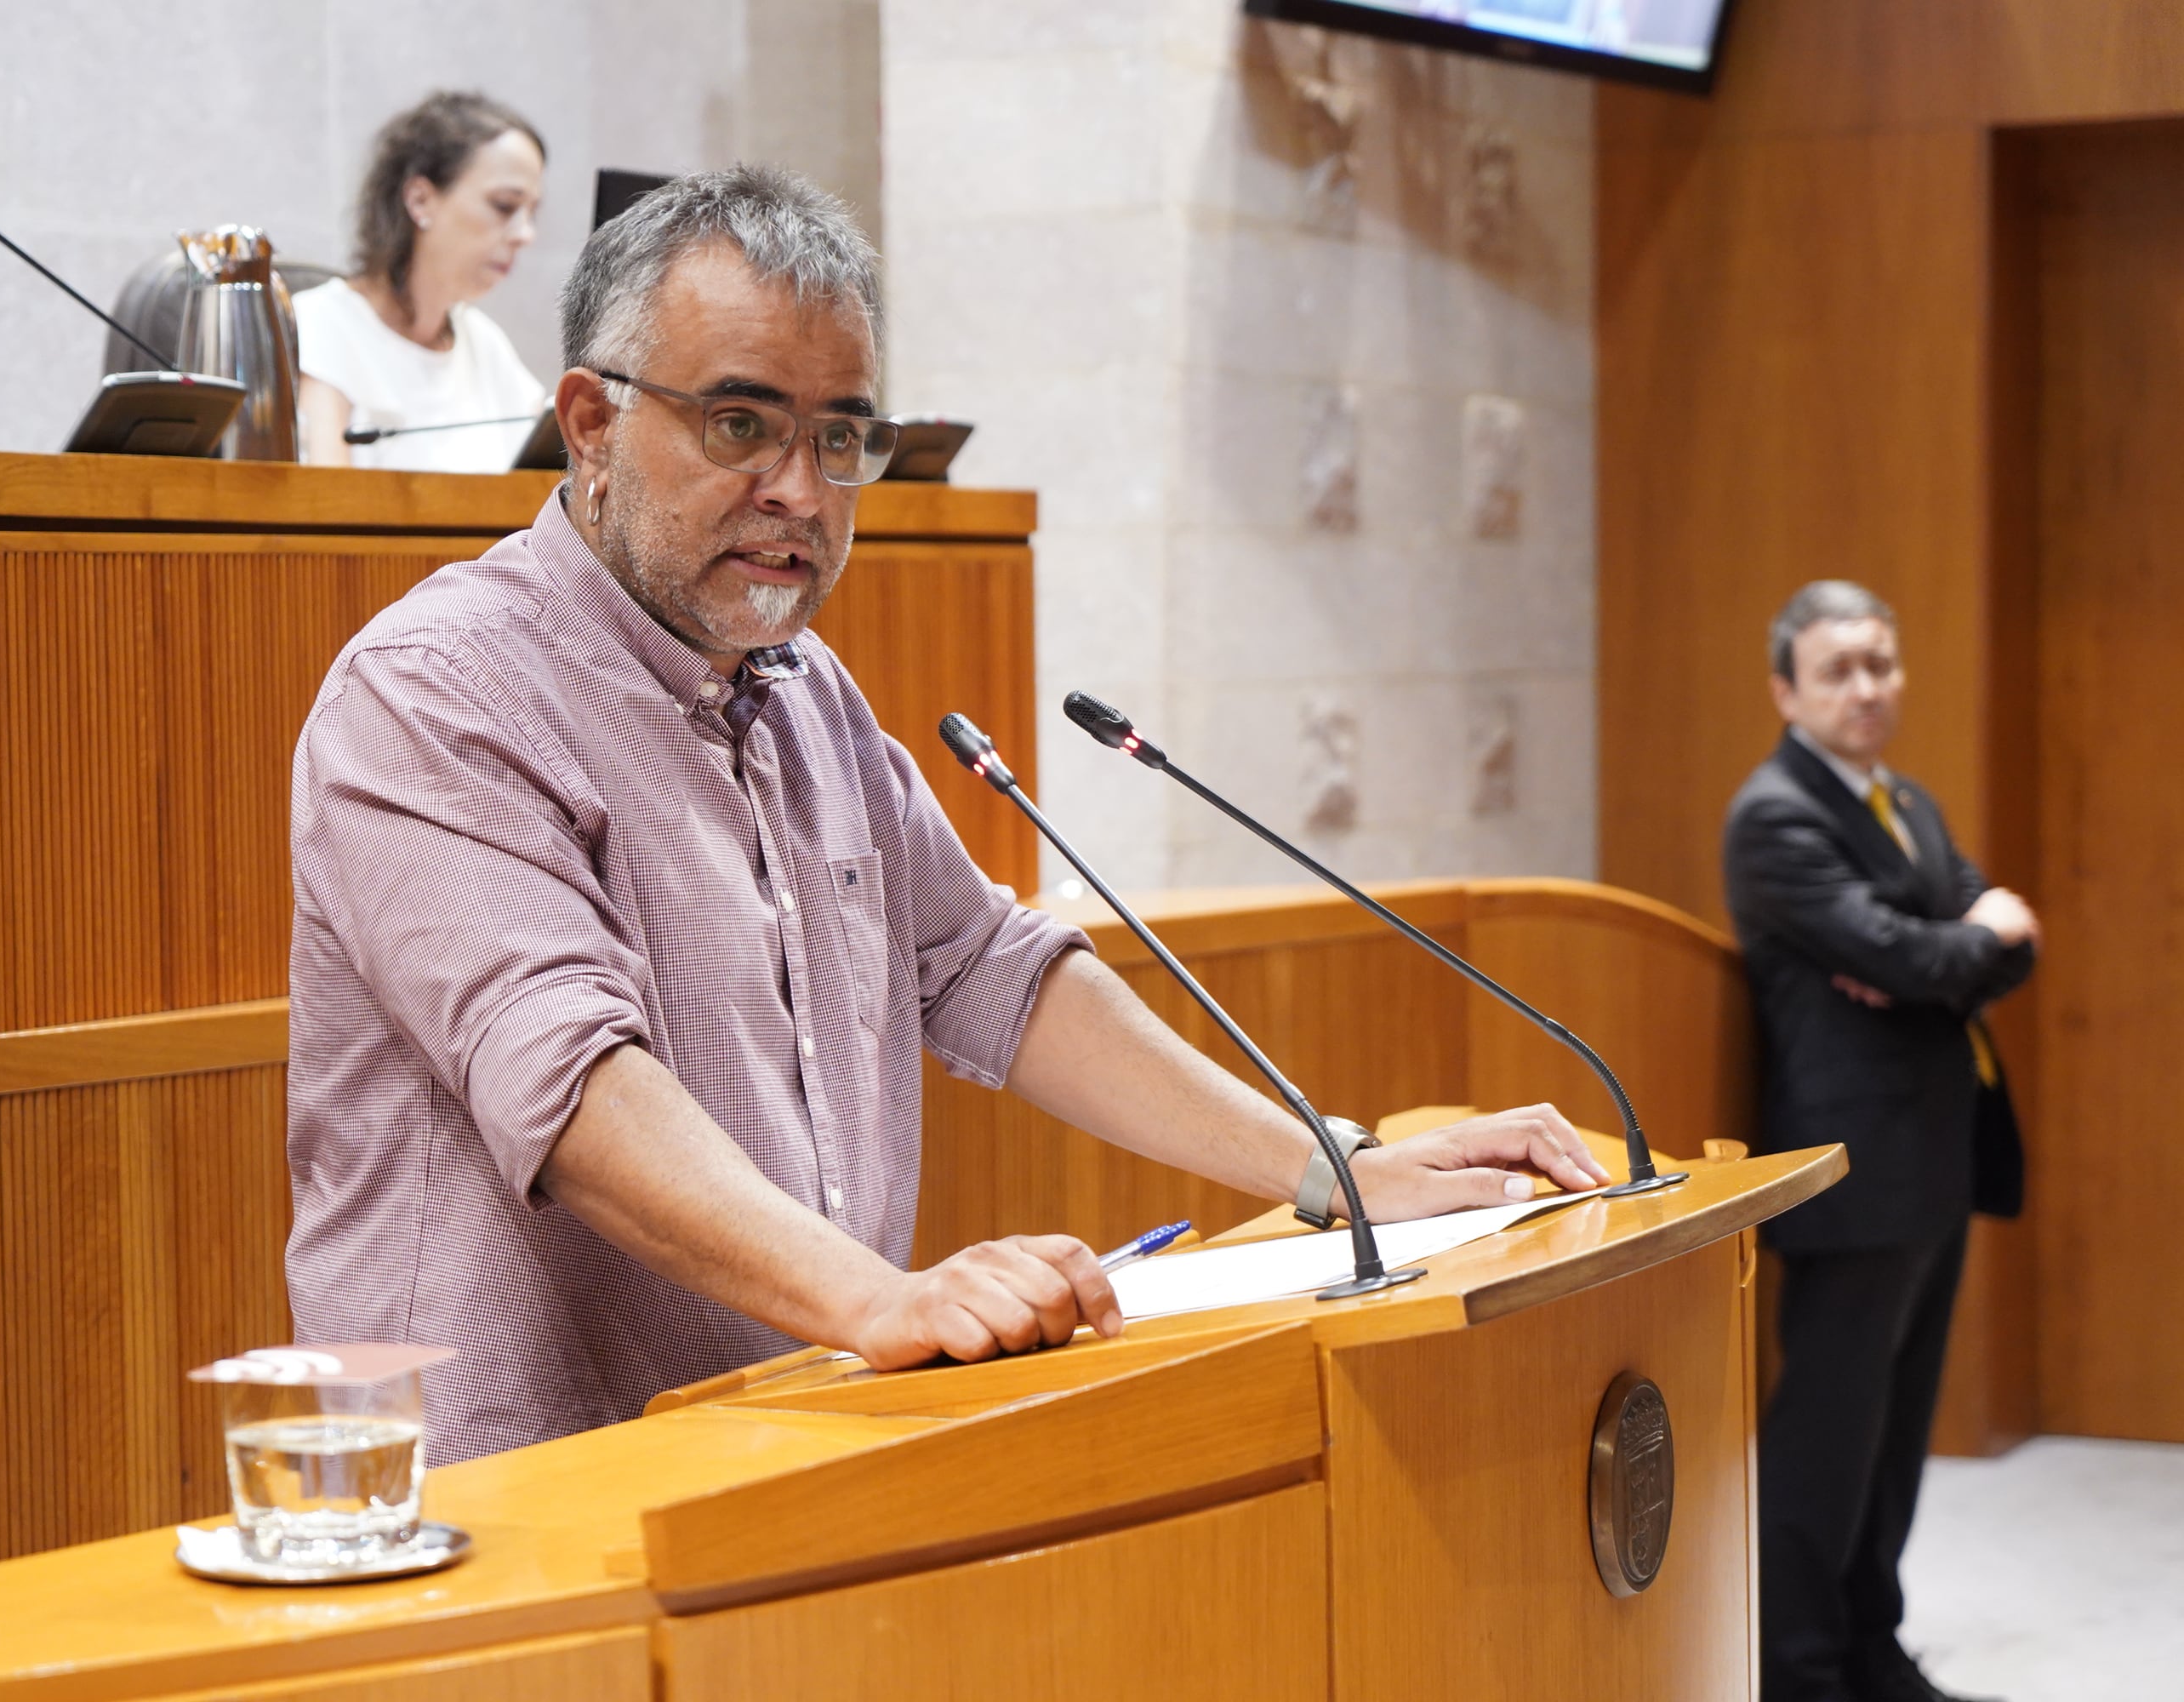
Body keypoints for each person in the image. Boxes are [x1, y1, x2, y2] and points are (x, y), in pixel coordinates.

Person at [283, 163, 1610, 1464]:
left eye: (841, 437)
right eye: (742, 427)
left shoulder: (805, 693)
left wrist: (1335, 1168)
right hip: (510, 1510)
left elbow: (987, 969)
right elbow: (568, 1085)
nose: (801, 491)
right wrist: (877, 1300)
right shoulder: (434, 697)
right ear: (589, 422)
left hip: (792, 1439)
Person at [1723, 582, 2037, 1702]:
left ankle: (1870, 1649)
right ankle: (1799, 1673)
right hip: (1850, 1166)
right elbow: (1936, 959)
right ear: (1786, 690)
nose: (1867, 688)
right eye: (1839, 670)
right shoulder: (1777, 814)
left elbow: (1980, 934)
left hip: (1929, 1157)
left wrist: (1953, 941)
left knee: (1896, 1436)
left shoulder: (1901, 799)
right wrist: (1948, 947)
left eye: (1881, 665)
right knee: (1827, 1441)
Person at [294, 90, 547, 472]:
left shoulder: (484, 342)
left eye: (531, 212)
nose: (524, 234)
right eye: (504, 206)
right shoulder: (317, 327)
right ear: (420, 200)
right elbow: (325, 511)